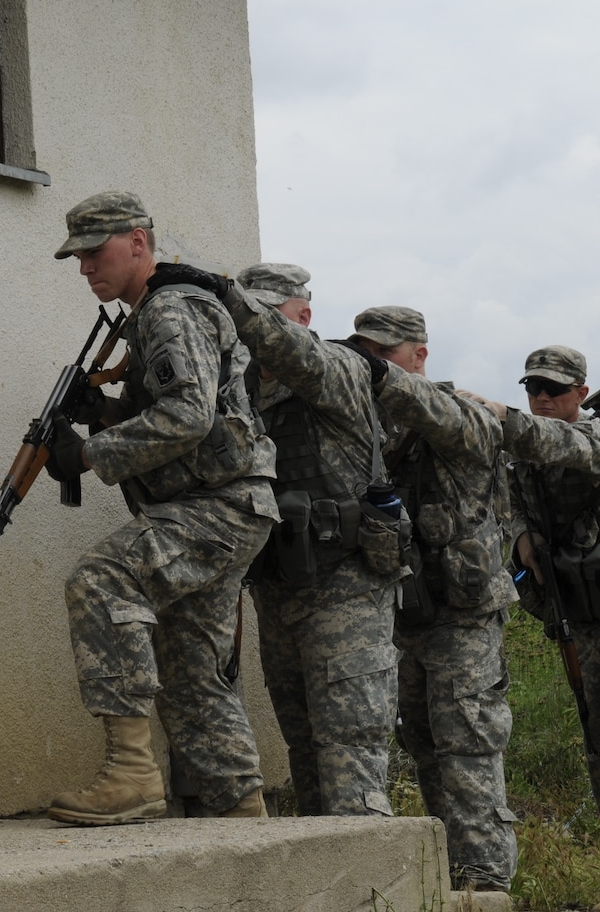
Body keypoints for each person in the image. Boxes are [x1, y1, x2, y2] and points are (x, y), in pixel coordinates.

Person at [41, 190, 278, 824]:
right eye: (78, 257)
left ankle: (132, 775)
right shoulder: (160, 310)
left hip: (218, 506)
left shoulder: (169, 310)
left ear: (139, 243)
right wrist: (110, 415)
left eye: (96, 252)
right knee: (194, 666)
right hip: (231, 504)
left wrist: (89, 455)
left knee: (100, 578)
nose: (86, 267)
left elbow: (189, 416)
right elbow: (196, 410)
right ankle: (242, 813)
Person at [468, 346, 600, 912]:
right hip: (579, 610)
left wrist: (498, 416)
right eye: (532, 388)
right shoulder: (524, 460)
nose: (540, 398)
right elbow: (508, 506)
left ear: (581, 394)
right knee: (597, 739)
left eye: (554, 390)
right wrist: (521, 540)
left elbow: (559, 445)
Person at [219, 264, 402, 818]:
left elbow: (291, 351)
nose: (255, 330)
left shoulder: (336, 367)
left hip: (343, 591)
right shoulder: (244, 390)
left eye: (271, 316)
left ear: (303, 316)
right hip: (278, 590)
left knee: (351, 762)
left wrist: (224, 295)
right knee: (305, 759)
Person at [353, 306, 517, 894]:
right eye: (365, 353)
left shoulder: (457, 411)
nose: (373, 364)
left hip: (463, 615)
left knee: (467, 744)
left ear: (418, 355)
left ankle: (488, 881)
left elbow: (446, 419)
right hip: (411, 611)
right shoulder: (379, 431)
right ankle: (451, 873)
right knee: (421, 740)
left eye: (384, 353)